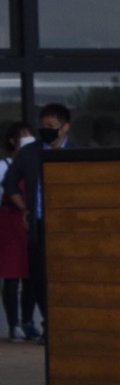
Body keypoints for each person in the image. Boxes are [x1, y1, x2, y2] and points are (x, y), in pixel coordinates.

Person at [2, 104, 71, 344]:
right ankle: (48, 325)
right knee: (39, 278)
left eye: (51, 127)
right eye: (43, 126)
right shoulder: (30, 153)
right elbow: (9, 183)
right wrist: (24, 208)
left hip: (68, 227)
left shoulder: (77, 153)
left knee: (66, 277)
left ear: (65, 128)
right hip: (38, 225)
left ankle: (65, 325)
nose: (46, 130)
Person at [1, 122, 37, 340]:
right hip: (8, 222)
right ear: (12, 140)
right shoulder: (3, 165)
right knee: (12, 277)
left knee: (30, 276)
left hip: (28, 223)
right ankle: (14, 324)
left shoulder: (34, 164)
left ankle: (28, 320)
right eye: (21, 136)